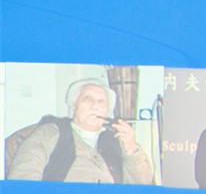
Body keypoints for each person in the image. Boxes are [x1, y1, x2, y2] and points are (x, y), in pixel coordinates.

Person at [8, 79, 153, 184]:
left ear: (107, 111)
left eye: (102, 102)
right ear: (73, 106)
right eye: (88, 99)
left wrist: (131, 148)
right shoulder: (50, 133)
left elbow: (143, 186)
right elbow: (22, 179)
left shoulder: (117, 139)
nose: (95, 106)